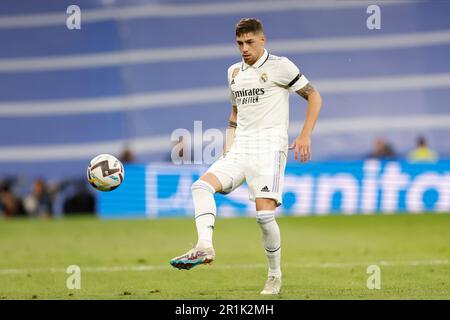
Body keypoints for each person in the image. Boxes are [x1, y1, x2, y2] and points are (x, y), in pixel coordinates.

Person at [169, 18, 322, 295]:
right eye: (240, 43)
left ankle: (274, 276)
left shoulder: (280, 66)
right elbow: (235, 114)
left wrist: (305, 135)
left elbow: (314, 97)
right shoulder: (233, 73)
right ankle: (204, 246)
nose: (244, 48)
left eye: (250, 42)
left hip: (270, 149)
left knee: (264, 218)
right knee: (201, 186)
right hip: (241, 147)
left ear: (262, 40)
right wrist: (228, 145)